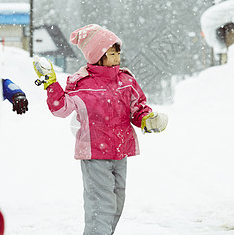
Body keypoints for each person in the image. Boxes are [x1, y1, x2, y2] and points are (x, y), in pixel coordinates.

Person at [33, 24, 168, 234]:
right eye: (111, 53)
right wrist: (51, 83)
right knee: (101, 204)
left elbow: (137, 108)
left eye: (118, 53)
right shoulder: (82, 84)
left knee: (116, 203)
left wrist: (147, 119)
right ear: (97, 56)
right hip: (94, 152)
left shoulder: (126, 81)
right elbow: (61, 108)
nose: (117, 57)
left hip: (120, 151)